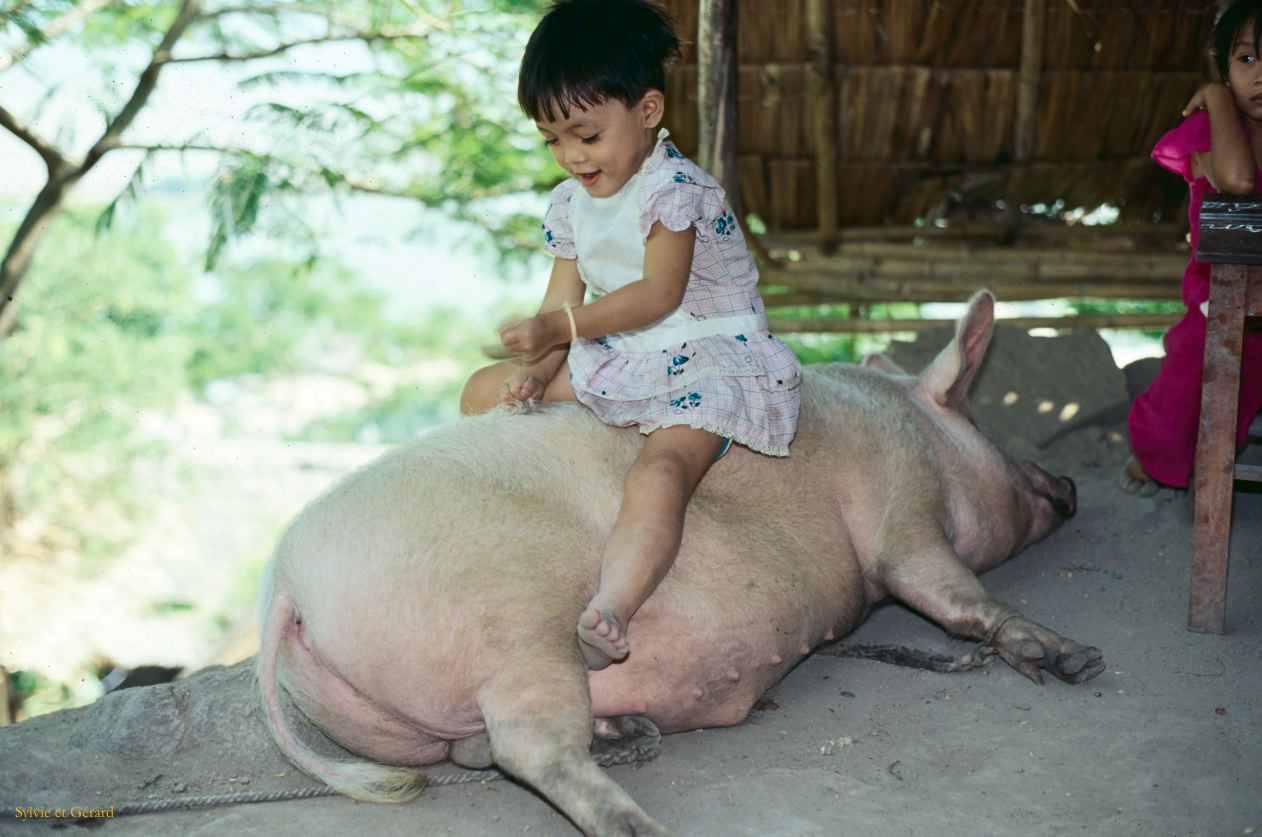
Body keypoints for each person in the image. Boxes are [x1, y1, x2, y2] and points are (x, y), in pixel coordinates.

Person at [460, 0, 802, 668]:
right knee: (482, 391)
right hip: (627, 353)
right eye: (552, 139)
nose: (570, 156)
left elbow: (658, 293)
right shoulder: (569, 204)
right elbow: (560, 302)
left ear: (647, 111)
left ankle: (612, 605)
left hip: (705, 354)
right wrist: (539, 363)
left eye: (586, 135)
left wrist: (559, 328)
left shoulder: (673, 187)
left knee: (662, 471)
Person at [1122, 0, 1262, 495]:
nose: (1261, 75)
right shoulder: (1208, 132)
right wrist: (1218, 100)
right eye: (1247, 60)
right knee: (1186, 386)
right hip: (1216, 309)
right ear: (1223, 68)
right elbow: (1240, 179)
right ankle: (1154, 456)